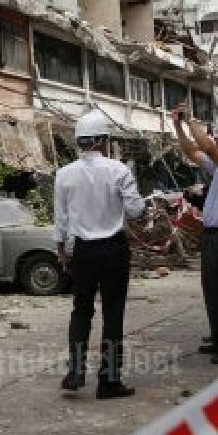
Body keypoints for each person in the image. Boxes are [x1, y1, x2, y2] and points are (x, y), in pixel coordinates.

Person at [54, 109, 147, 399]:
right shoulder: (119, 170)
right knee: (113, 314)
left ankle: (76, 371)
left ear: (80, 141)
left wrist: (61, 251)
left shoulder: (64, 175)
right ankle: (109, 381)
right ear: (102, 141)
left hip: (82, 251)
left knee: (81, 310)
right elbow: (135, 210)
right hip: (113, 250)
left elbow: (61, 220)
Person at [171, 105, 218, 359]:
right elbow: (191, 152)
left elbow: (207, 148)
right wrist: (179, 127)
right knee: (213, 289)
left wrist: (190, 120)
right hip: (213, 233)